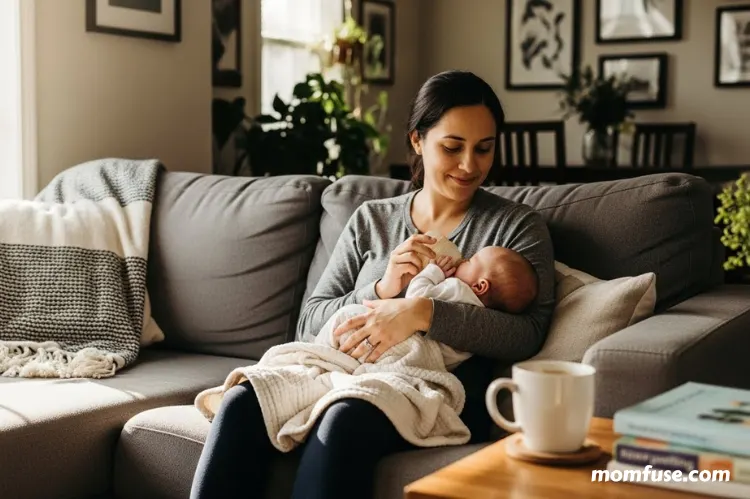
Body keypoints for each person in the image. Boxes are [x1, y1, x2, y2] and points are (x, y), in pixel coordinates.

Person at [189, 69, 556, 499]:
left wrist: (422, 313)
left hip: (428, 390)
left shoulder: (516, 227)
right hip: (339, 370)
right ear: (418, 141)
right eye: (452, 147)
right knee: (241, 403)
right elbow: (311, 319)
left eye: (484, 149)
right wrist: (381, 290)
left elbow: (529, 333)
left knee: (344, 419)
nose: (470, 165)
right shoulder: (373, 220)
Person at [319, 248, 539, 370]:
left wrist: (433, 272)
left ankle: (319, 353)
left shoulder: (457, 289)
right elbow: (312, 314)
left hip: (407, 346)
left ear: (480, 286)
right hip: (424, 365)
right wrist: (382, 288)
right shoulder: (478, 318)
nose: (463, 259)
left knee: (346, 316)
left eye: (470, 260)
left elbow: (416, 298)